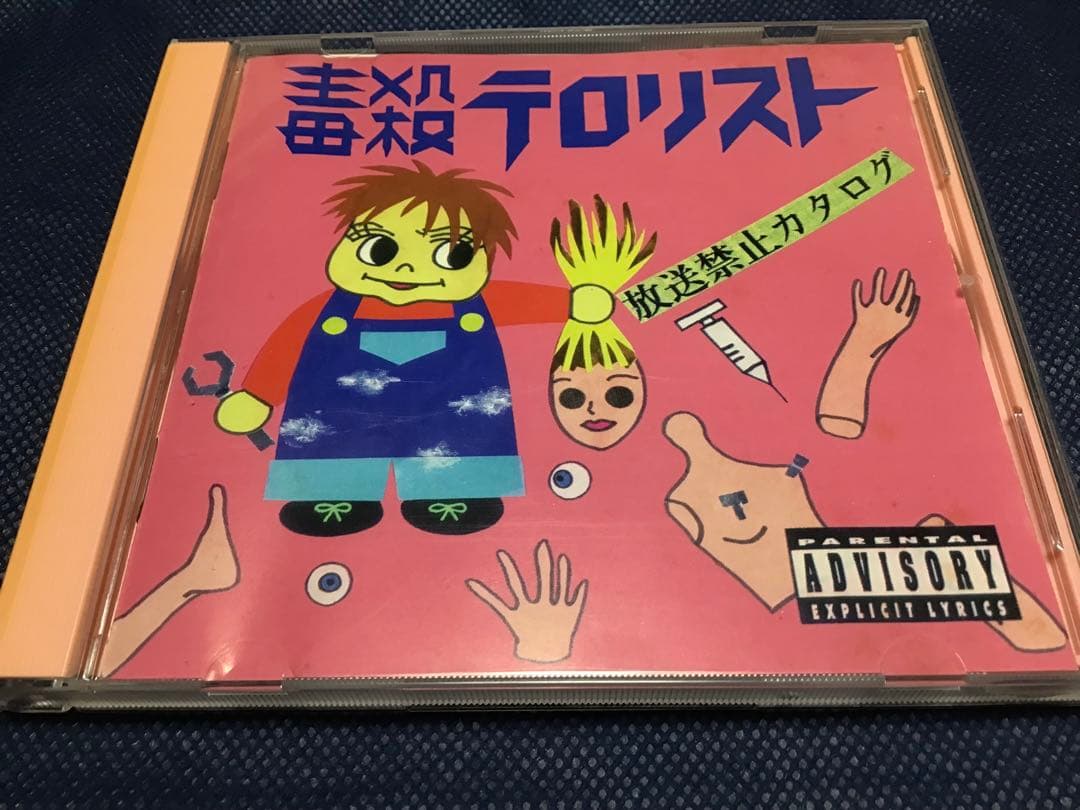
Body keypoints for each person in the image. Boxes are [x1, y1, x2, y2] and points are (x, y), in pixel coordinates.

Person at [213, 161, 612, 536]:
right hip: (342, 408)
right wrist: (258, 394)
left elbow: (522, 301)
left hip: (449, 406)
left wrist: (571, 303)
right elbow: (287, 346)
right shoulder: (323, 311)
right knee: (330, 437)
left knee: (461, 434)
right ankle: (331, 497)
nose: (406, 268)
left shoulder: (479, 305)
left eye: (451, 254)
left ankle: (454, 494)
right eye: (379, 249)